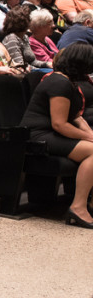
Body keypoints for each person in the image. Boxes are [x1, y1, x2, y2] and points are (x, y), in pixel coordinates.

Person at [20, 43, 93, 228]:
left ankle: (90, 204)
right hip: (38, 135)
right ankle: (78, 207)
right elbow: (59, 124)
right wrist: (89, 139)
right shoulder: (58, 82)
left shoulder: (68, 81)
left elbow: (77, 118)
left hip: (52, 133)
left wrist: (90, 134)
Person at [2, 7, 52, 73]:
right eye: (30, 19)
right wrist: (39, 70)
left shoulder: (25, 37)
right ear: (24, 22)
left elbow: (33, 61)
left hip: (31, 70)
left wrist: (46, 64)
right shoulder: (12, 39)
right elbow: (19, 65)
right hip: (22, 73)